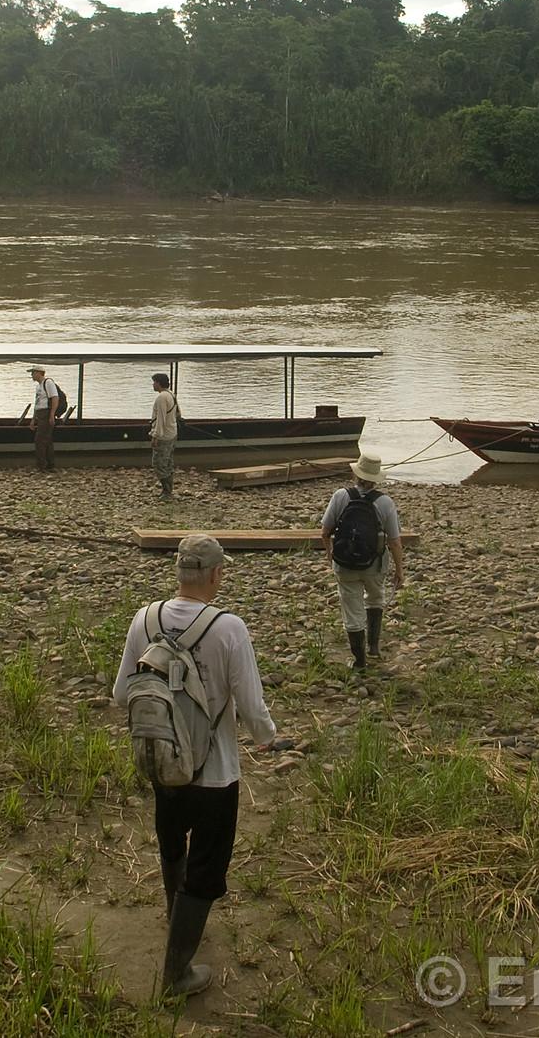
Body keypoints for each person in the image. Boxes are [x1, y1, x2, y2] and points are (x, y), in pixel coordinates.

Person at [112, 534, 280, 1000]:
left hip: (162, 761)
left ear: (179, 572)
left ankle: (176, 920)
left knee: (172, 843)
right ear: (214, 575)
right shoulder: (229, 628)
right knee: (208, 866)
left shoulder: (143, 619)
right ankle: (176, 971)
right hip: (215, 771)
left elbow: (122, 694)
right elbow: (249, 703)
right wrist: (267, 739)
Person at [318, 453, 404, 672]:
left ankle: (359, 662)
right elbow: (394, 541)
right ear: (376, 478)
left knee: (352, 610)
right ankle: (374, 648)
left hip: (344, 563)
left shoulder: (340, 496)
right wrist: (399, 571)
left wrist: (330, 554)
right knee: (375, 599)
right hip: (375, 564)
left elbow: (325, 531)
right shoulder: (384, 502)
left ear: (356, 474)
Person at [149, 372, 180, 498]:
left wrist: (156, 436)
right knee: (168, 462)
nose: (153, 384)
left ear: (158, 383)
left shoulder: (161, 398)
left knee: (159, 463)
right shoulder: (171, 394)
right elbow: (178, 413)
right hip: (172, 433)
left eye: (154, 382)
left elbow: (161, 418)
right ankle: (168, 490)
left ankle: (167, 491)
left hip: (164, 436)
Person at [28, 364, 57, 471]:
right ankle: (50, 464)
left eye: (33, 373)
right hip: (40, 413)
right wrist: (33, 419)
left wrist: (52, 415)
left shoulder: (48, 383)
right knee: (47, 440)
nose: (32, 375)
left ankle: (42, 465)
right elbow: (37, 403)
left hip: (46, 413)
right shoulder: (38, 386)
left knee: (40, 440)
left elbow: (55, 398)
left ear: (39, 373)